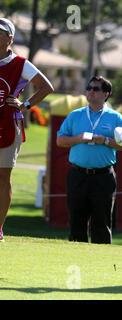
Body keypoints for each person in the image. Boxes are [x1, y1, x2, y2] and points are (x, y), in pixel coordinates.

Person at [56, 76, 122, 244]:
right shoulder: (75, 116)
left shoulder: (116, 118)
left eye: (95, 89)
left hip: (103, 177)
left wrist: (105, 140)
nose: (90, 91)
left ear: (106, 94)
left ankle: (101, 263)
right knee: (77, 223)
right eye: (89, 88)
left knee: (101, 223)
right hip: (77, 175)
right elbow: (60, 140)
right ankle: (76, 261)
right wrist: (79, 138)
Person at [0, 18, 54, 242]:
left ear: (10, 38)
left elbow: (46, 87)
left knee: (2, 178)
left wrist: (25, 105)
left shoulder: (21, 63)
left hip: (8, 123)